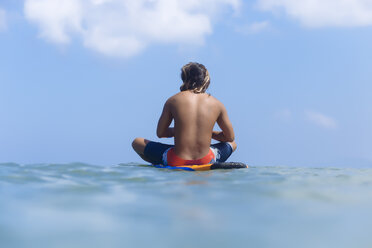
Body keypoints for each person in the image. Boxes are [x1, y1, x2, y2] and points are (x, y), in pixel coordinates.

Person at [132, 62, 237, 166]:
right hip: (206, 160)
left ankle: (160, 163)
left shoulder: (173, 100)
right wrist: (207, 132)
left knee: (136, 142)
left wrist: (181, 130)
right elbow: (230, 137)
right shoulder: (217, 104)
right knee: (233, 144)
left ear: (184, 78)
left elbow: (160, 133)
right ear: (205, 80)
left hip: (176, 160)